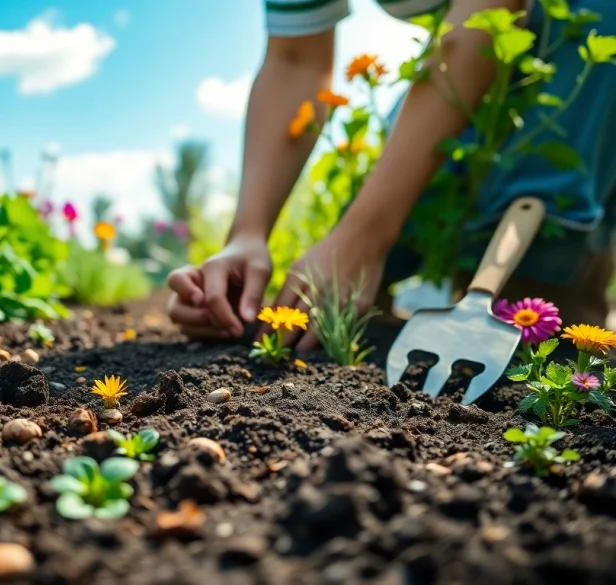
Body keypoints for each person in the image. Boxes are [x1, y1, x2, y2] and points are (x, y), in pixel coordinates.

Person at [167, 0, 616, 349]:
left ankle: (551, 271)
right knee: (346, 279)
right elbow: (295, 58)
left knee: (534, 304)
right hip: (465, 55)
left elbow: (490, 10)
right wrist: (246, 234)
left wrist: (367, 230)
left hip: (581, 60)